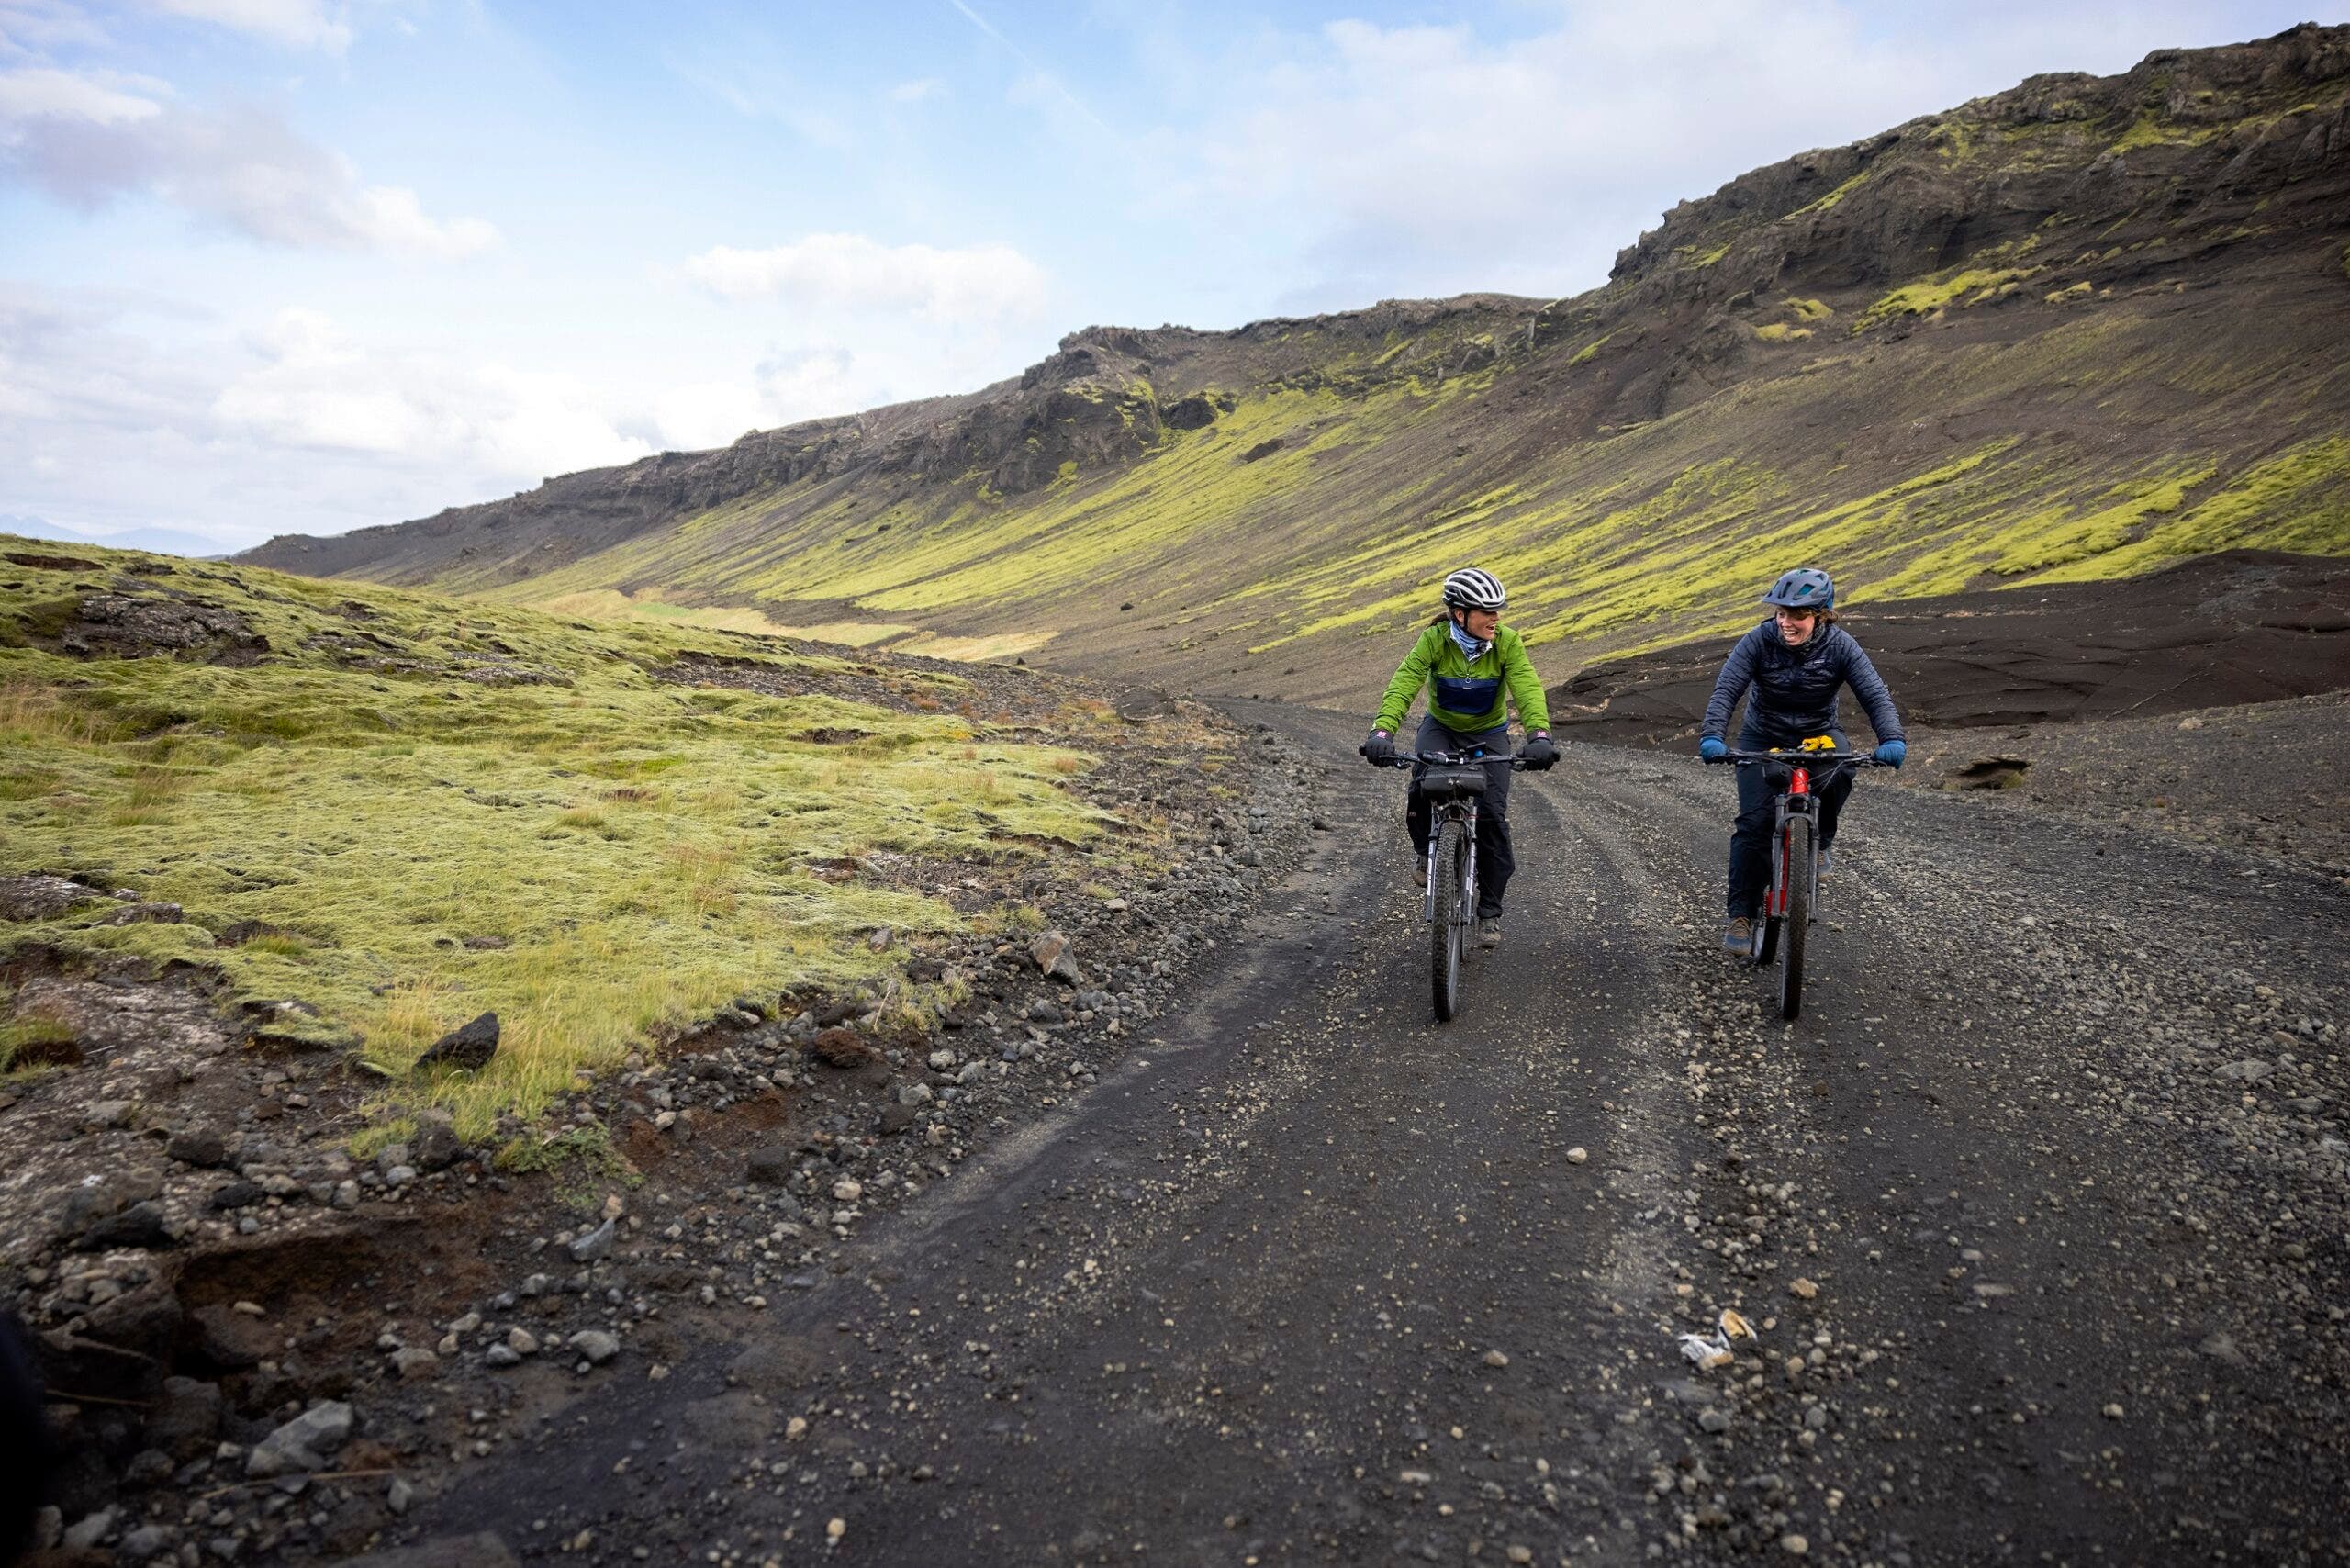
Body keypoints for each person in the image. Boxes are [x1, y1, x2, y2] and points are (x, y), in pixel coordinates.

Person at [1697, 567, 1908, 952]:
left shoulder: (1842, 647)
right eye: (1782, 613)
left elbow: (1875, 694)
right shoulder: (1757, 641)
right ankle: (1742, 915)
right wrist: (1713, 736)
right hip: (1763, 735)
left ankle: (1821, 839)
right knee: (1755, 823)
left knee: (1841, 770)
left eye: (1798, 615)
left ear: (1822, 615)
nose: (1786, 623)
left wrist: (1891, 739)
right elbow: (1727, 688)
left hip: (1818, 733)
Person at [1360, 567, 1558, 947]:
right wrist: (1381, 733)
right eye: (1487, 610)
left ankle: (1489, 913)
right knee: (1420, 786)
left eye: (1498, 609)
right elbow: (1405, 682)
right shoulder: (1434, 640)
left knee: (1491, 815)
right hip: (1442, 728)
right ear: (1459, 613)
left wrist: (1539, 736)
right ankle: (1425, 852)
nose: (1496, 617)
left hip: (1489, 734)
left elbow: (1528, 687)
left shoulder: (1508, 643)